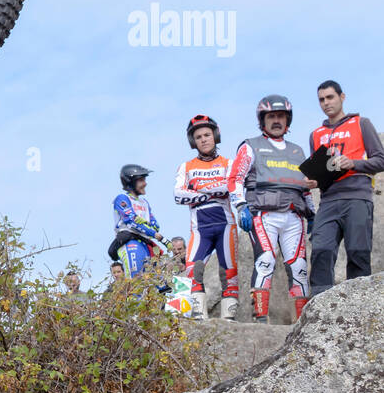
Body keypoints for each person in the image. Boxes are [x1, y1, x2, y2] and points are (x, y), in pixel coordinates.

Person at [227, 94, 315, 322]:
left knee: (299, 267)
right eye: (272, 116)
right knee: (265, 260)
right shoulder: (250, 146)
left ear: (288, 120)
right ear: (262, 120)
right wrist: (241, 205)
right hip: (263, 213)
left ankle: (302, 322)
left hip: (294, 214)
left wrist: (313, 213)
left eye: (281, 116)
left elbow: (306, 186)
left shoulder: (297, 151)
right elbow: (235, 178)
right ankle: (261, 319)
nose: (277, 120)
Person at [308, 80, 384, 295]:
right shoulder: (315, 134)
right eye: (321, 99)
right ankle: (319, 308)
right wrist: (315, 181)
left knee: (358, 253)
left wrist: (354, 163)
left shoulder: (362, 123)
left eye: (330, 97)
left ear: (342, 97)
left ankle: (358, 307)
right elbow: (322, 172)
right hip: (329, 200)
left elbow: (382, 160)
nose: (326, 103)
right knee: (321, 251)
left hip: (358, 197)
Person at [173, 114, 240, 319]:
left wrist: (198, 192)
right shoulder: (186, 166)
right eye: (199, 136)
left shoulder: (229, 163)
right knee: (192, 270)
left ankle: (228, 320)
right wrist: (211, 192)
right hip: (200, 228)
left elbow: (230, 187)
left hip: (225, 225)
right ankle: (199, 319)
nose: (203, 139)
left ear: (215, 136)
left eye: (207, 135)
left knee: (229, 272)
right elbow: (178, 195)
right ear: (193, 141)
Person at [108, 164, 171, 277]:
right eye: (141, 180)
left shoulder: (144, 202)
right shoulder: (122, 198)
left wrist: (147, 226)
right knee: (136, 281)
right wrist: (155, 234)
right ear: (131, 182)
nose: (145, 183)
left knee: (155, 282)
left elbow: (155, 225)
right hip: (130, 242)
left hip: (145, 243)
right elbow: (131, 221)